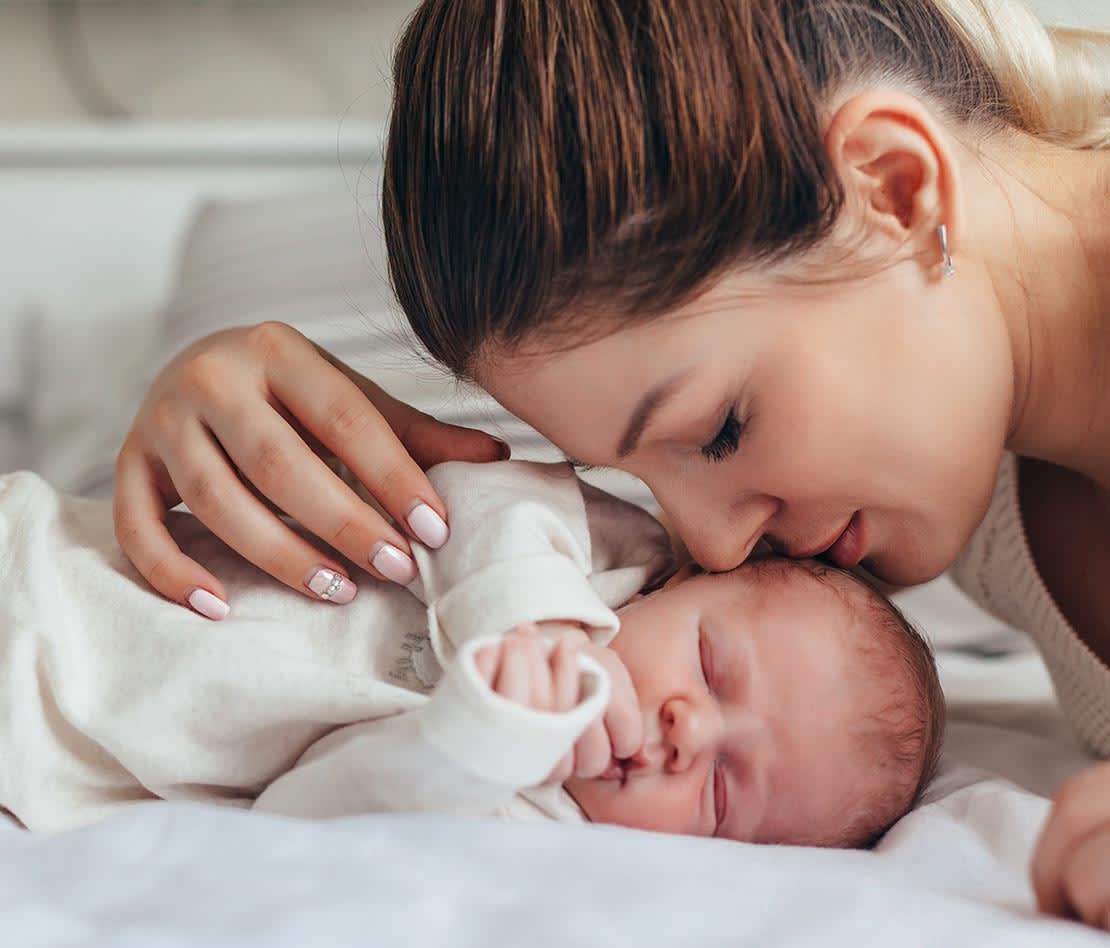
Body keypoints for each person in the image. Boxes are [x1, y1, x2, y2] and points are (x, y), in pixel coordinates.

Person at [108, 0, 1110, 931]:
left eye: (719, 428)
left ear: (894, 186)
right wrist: (240, 398)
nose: (714, 543)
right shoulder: (962, 458)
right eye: (645, 477)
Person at [0, 460, 940, 848]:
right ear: (685, 580)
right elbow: (465, 494)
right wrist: (540, 619)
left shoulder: (536, 827)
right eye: (710, 666)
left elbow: (306, 817)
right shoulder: (603, 556)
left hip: (39, 742)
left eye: (725, 794)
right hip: (41, 555)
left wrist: (480, 740)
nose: (688, 731)